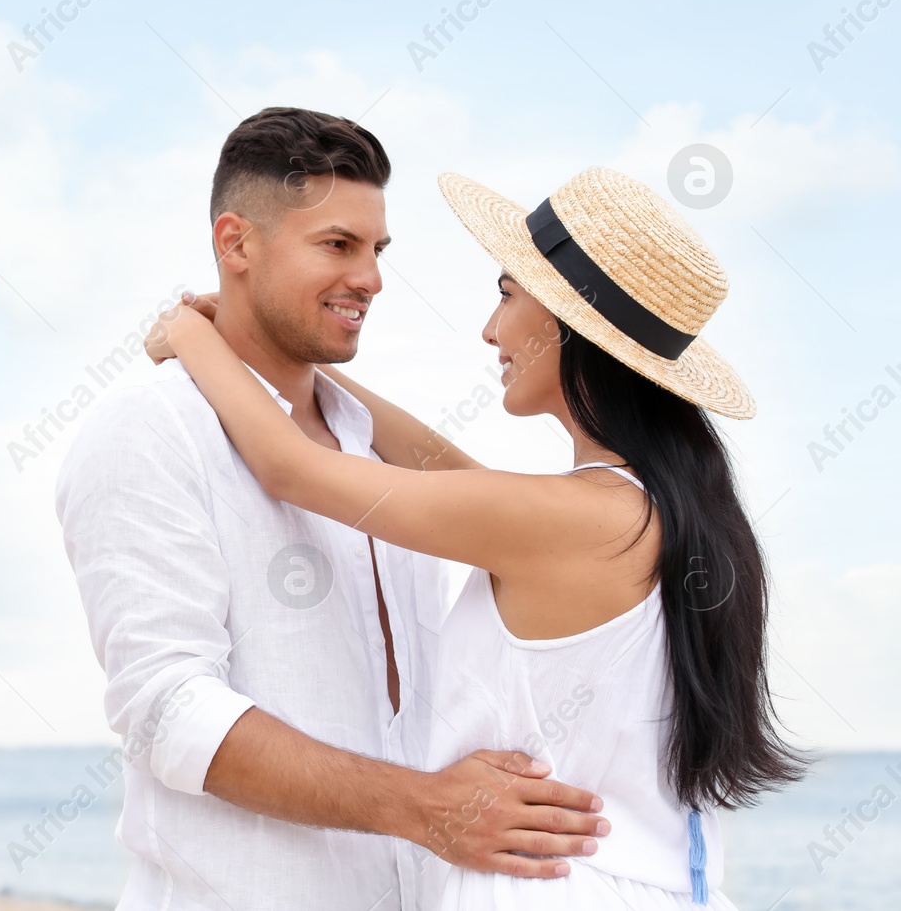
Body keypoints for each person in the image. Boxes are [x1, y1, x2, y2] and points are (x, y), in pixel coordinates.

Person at [146, 164, 806, 907]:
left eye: (507, 294)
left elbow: (293, 468)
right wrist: (283, 360)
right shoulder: (646, 510)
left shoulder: (571, 518)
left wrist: (193, 336)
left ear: (563, 321)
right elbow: (446, 470)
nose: (491, 329)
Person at [55, 108, 608, 911]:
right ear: (235, 244)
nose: (373, 278)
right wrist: (426, 807)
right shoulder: (152, 427)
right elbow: (165, 709)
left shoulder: (375, 448)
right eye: (338, 245)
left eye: (377, 250)